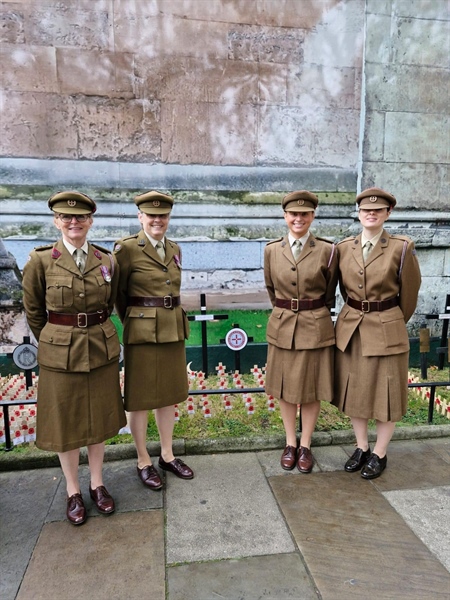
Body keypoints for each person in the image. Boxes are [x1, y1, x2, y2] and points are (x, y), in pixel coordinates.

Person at [22, 191, 126, 525]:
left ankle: (97, 484)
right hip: (60, 353)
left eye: (80, 217)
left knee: (98, 419)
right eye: (66, 218)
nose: (73, 223)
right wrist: (55, 340)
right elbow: (34, 310)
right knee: (65, 421)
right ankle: (72, 491)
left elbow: (108, 305)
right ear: (56, 221)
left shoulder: (106, 260)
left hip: (98, 347)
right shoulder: (41, 261)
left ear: (90, 221)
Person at [333, 187, 421, 479]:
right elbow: (341, 289)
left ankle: (380, 453)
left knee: (386, 394)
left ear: (387, 213)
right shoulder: (344, 247)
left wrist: (390, 321)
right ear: (358, 214)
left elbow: (409, 296)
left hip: (386, 328)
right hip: (352, 328)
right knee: (355, 391)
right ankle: (361, 447)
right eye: (365, 210)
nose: (371, 214)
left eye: (377, 210)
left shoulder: (401, 247)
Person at [114, 190, 194, 491]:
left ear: (169, 218)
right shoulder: (126, 249)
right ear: (140, 217)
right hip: (143, 331)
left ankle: (167, 455)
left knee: (168, 395)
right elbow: (118, 296)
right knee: (140, 399)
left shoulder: (174, 248)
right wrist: (136, 322)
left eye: (162, 215)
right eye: (151, 215)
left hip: (172, 329)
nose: (157, 220)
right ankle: (143, 459)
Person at [264, 191, 338, 473]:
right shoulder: (272, 250)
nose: (298, 219)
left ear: (312, 216)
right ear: (285, 216)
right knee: (285, 389)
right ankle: (290, 443)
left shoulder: (328, 250)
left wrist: (310, 311)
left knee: (310, 389)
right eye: (293, 214)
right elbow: (272, 290)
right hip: (283, 326)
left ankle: (306, 444)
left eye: (304, 214)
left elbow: (329, 292)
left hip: (314, 325)